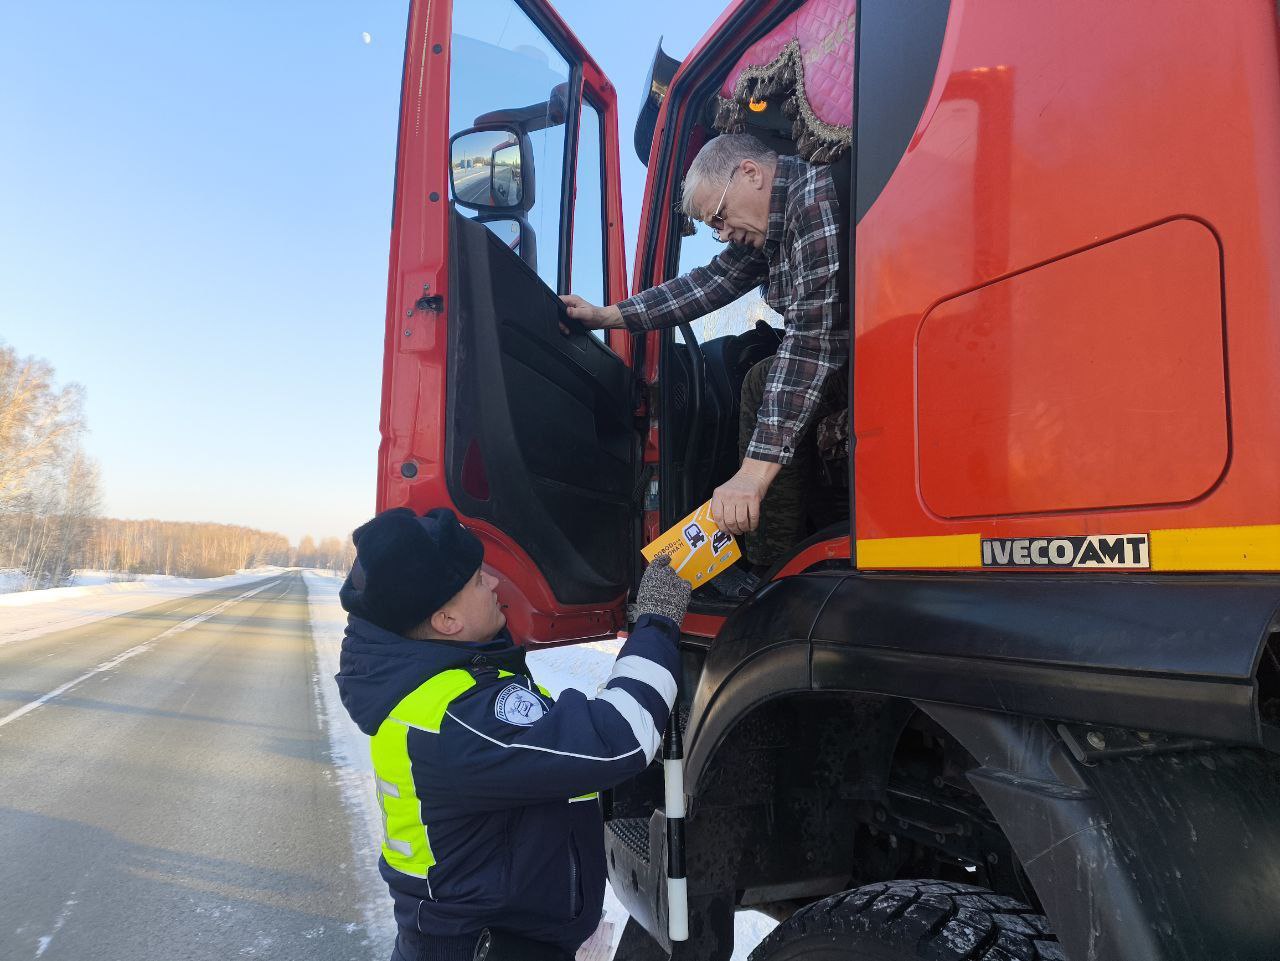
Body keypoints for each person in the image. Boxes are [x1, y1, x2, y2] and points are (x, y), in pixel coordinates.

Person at [334, 506, 691, 961]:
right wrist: (657, 624)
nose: (496, 584)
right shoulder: (457, 717)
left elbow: (556, 755)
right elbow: (619, 737)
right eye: (479, 581)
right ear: (447, 622)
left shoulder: (450, 682)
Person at [561, 133, 847, 576]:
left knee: (765, 378)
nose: (723, 234)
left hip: (882, 360)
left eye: (718, 217)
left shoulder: (810, 198)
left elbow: (810, 344)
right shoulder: (774, 227)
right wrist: (609, 315)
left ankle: (770, 573)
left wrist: (751, 476)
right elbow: (706, 285)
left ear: (749, 173)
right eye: (715, 229)